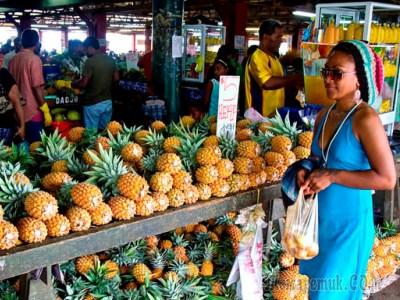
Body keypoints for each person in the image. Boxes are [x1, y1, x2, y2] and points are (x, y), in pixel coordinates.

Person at [297, 40, 396, 299]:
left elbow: (387, 179)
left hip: (348, 225)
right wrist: (305, 169)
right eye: (325, 71)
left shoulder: (366, 119)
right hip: (319, 223)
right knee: (318, 293)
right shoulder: (324, 114)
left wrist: (332, 175)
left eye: (337, 73)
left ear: (359, 78)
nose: (328, 79)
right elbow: (318, 159)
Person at [244, 19, 302, 117]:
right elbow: (267, 83)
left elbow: (280, 83)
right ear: (265, 37)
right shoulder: (257, 57)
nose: (281, 40)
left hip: (274, 116)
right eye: (278, 37)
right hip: (259, 118)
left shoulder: (274, 58)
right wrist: (295, 79)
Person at [9, 29, 52, 143]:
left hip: (17, 112)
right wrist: (45, 109)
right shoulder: (34, 59)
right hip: (32, 111)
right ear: (37, 43)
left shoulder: (13, 59)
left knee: (22, 149)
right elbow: (37, 87)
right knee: (36, 148)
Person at [73, 37, 119, 131]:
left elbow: (84, 83)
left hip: (92, 103)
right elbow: (116, 78)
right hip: (107, 102)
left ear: (90, 47)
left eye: (85, 49)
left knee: (91, 135)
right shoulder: (110, 60)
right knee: (104, 133)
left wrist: (74, 83)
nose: (85, 52)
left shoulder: (90, 61)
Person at [0, 68, 25, 145]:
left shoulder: (3, 73)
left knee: (7, 154)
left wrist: (22, 126)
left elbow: (16, 101)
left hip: (5, 128)